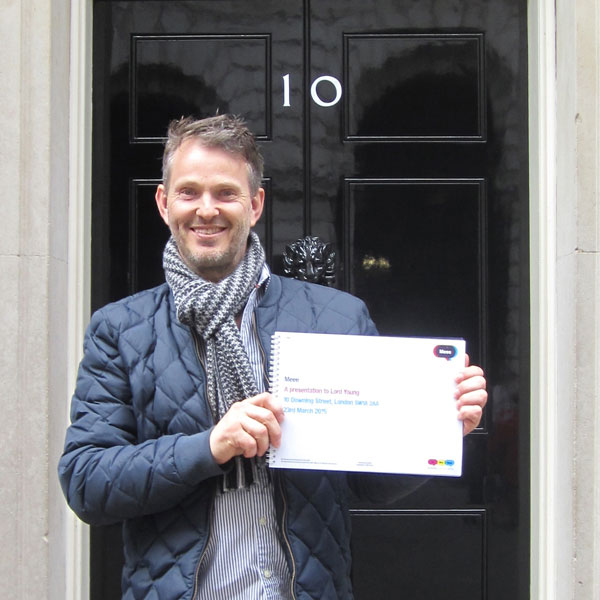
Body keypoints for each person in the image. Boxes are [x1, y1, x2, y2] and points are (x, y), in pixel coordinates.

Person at [59, 114, 487, 600]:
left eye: (225, 193)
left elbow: (369, 484)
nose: (206, 209)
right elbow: (87, 483)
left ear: (255, 204)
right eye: (188, 192)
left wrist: (440, 424)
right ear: (162, 202)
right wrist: (209, 448)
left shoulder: (337, 316)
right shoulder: (120, 329)